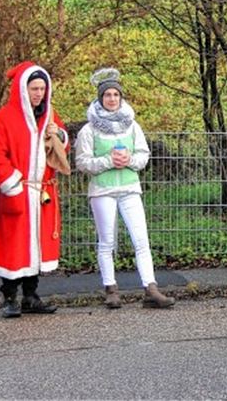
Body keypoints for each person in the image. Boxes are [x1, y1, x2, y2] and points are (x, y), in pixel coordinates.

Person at [75, 69, 175, 309]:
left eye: (115, 95)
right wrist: (108, 161)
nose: (112, 99)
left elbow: (143, 155)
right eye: (107, 95)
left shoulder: (132, 126)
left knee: (141, 239)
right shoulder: (89, 130)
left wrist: (129, 160)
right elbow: (82, 162)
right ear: (100, 98)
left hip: (130, 189)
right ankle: (111, 289)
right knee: (106, 242)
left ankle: (150, 287)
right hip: (102, 191)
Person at [0, 62, 67, 317]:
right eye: (34, 89)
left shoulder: (49, 115)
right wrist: (11, 183)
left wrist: (59, 136)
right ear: (23, 89)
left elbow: (63, 146)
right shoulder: (4, 118)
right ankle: (9, 296)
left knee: (38, 244)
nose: (39, 94)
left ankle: (31, 296)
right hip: (18, 189)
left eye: (43, 89)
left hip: (41, 191)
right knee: (14, 245)